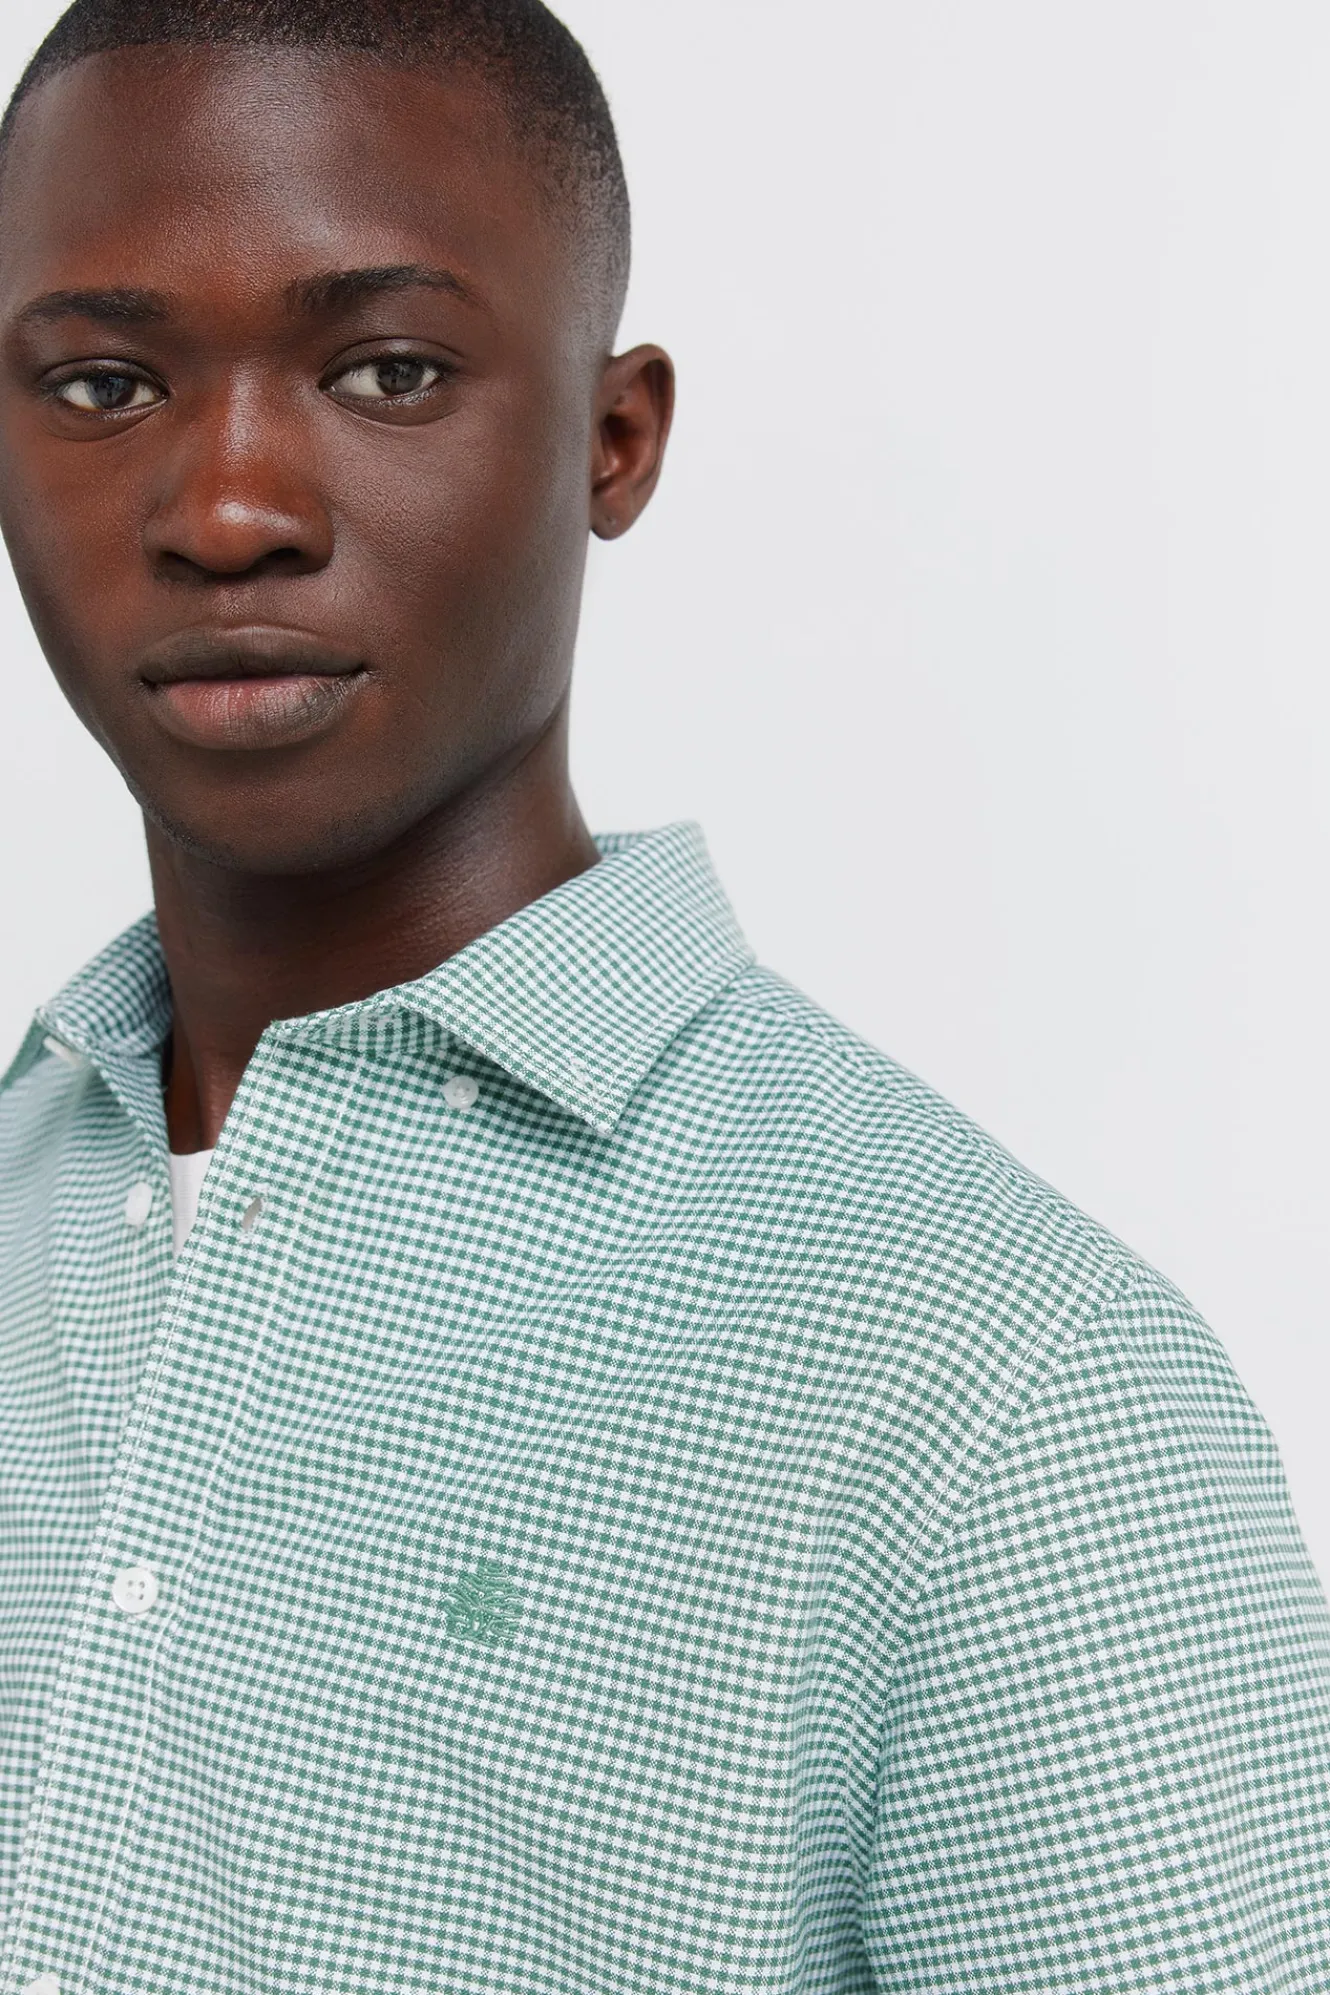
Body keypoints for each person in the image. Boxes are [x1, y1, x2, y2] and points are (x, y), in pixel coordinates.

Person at [0, 2, 1326, 1991]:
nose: (229, 510)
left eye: (385, 370)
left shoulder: (1009, 1391)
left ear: (611, 440)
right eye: (104, 384)